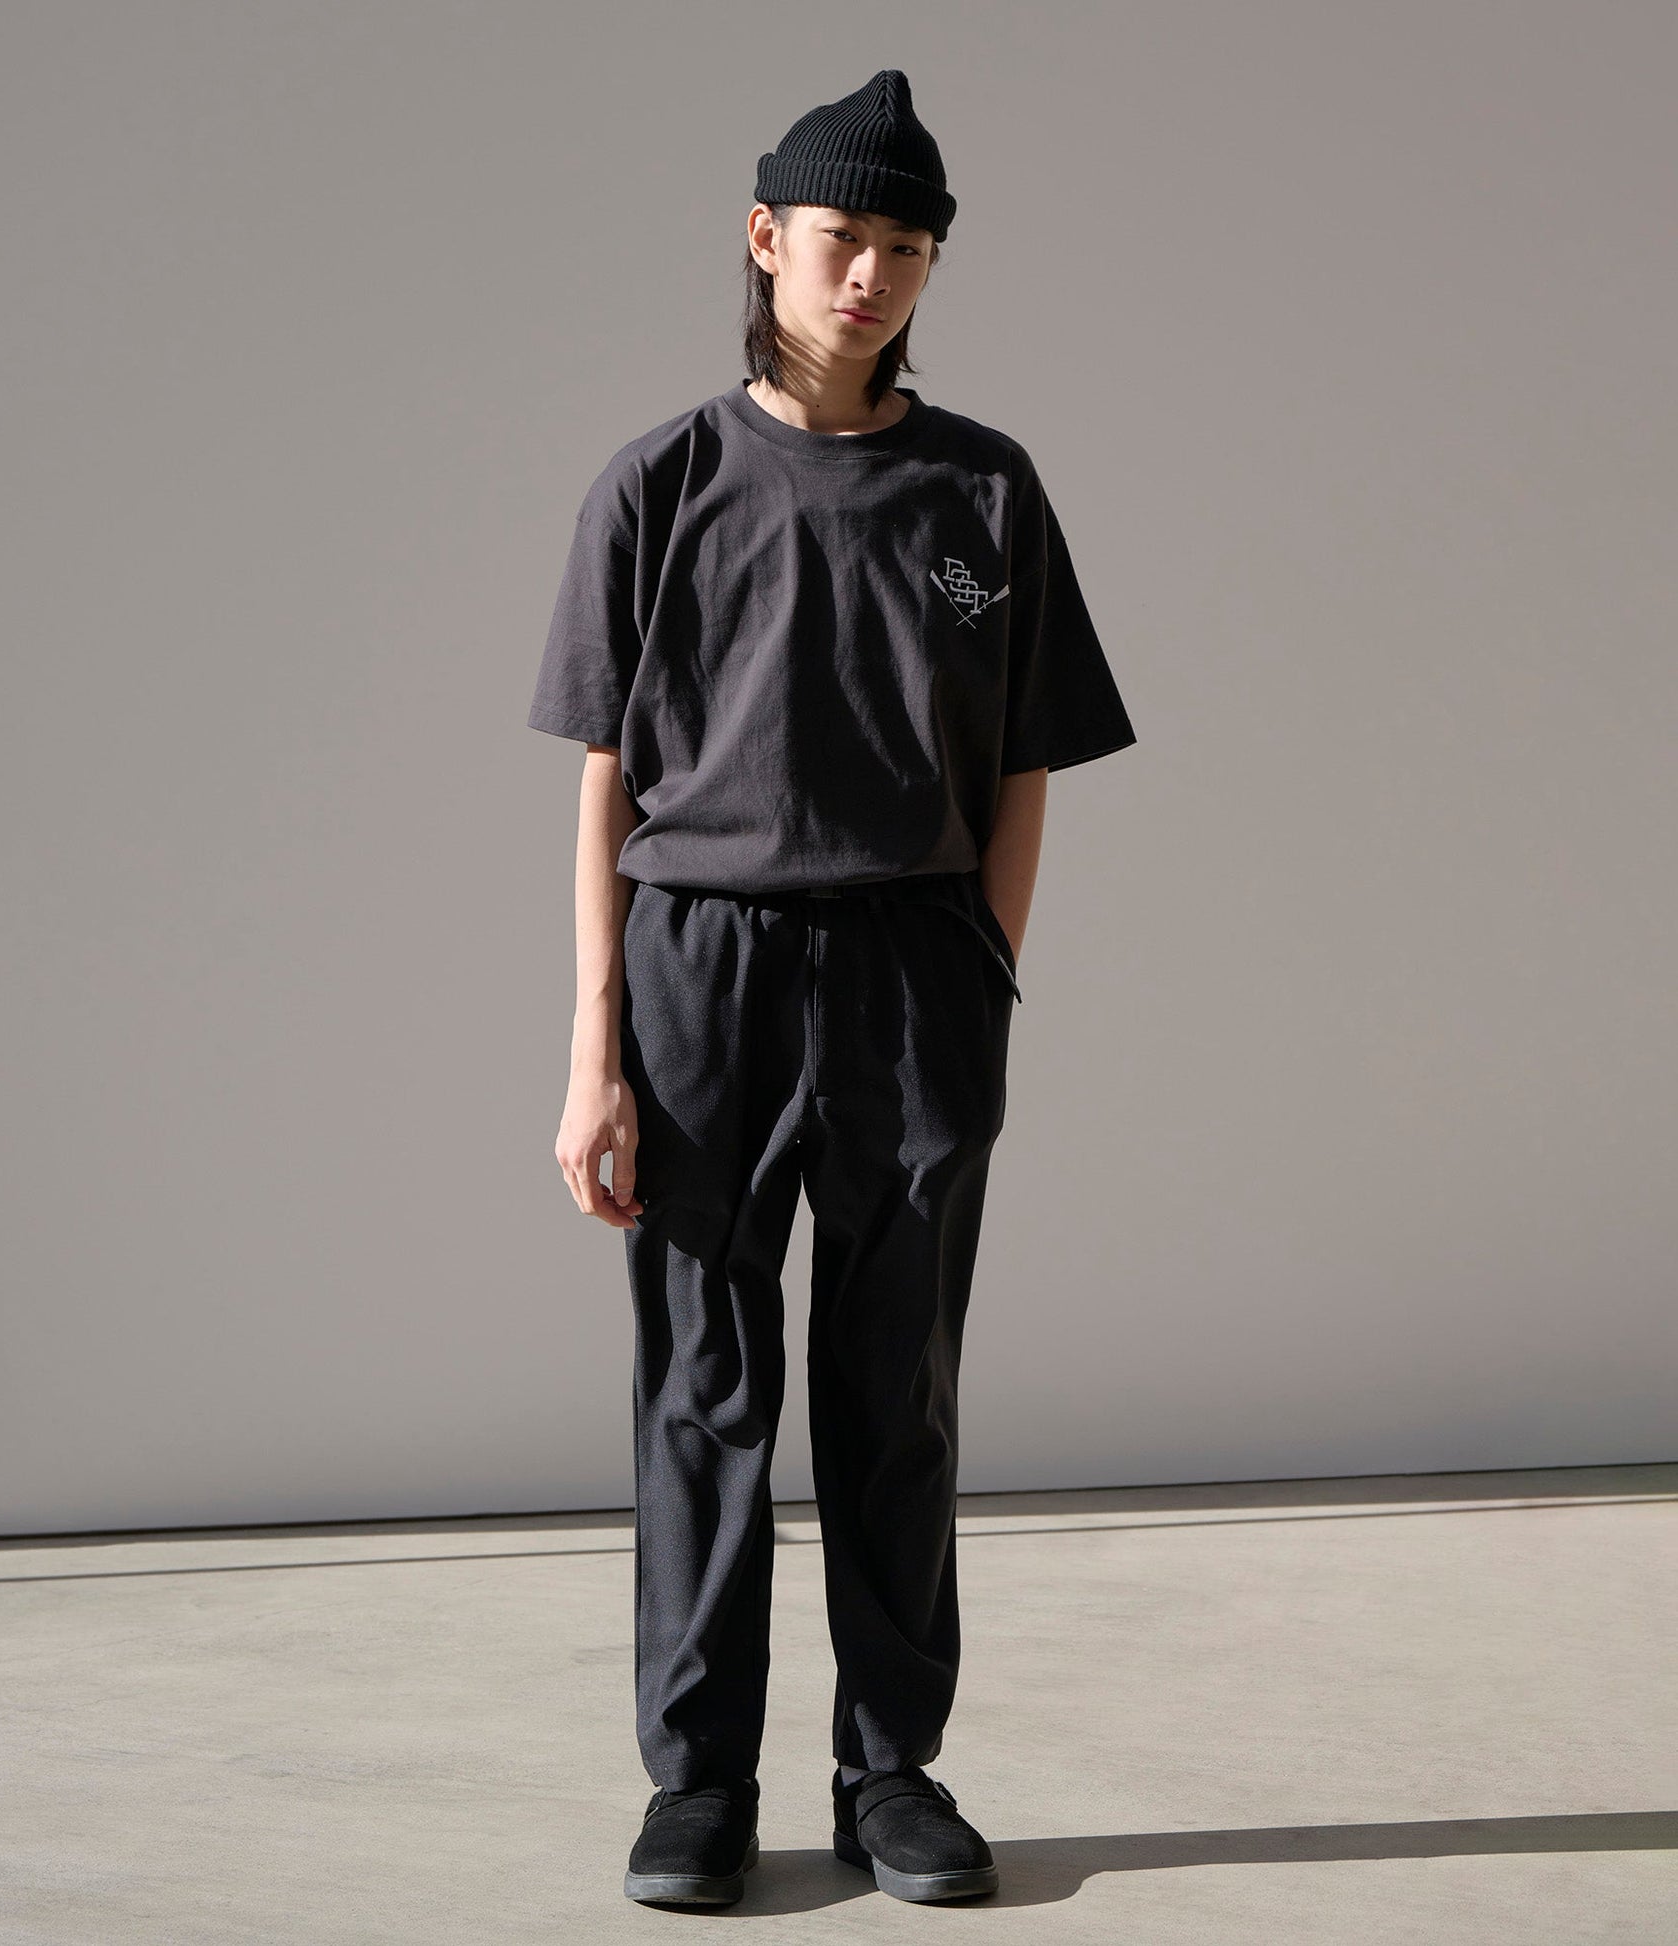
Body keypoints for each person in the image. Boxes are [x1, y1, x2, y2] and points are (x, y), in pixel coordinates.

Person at [527, 69, 1136, 1909]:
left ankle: (890, 1772)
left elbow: (1023, 760)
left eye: (905, 248)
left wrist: (984, 974)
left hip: (910, 976)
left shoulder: (982, 489)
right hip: (698, 968)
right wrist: (595, 1049)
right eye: (840, 237)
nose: (868, 274)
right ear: (763, 238)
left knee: (896, 1389)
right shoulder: (662, 483)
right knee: (705, 1388)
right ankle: (697, 1782)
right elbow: (604, 780)